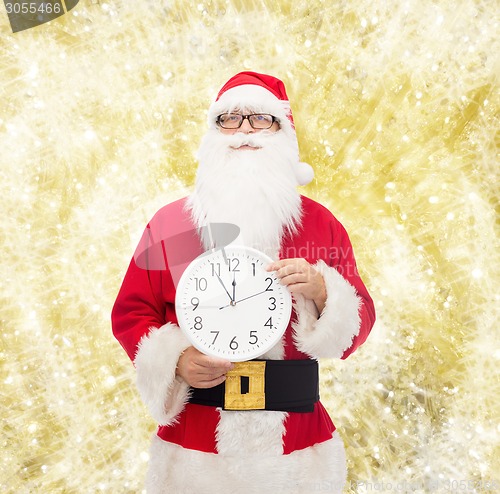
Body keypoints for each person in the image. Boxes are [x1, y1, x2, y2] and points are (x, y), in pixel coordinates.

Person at [111, 71, 376, 494]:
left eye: (260, 119)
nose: (244, 131)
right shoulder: (172, 225)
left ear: (283, 133)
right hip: (196, 447)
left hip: (296, 446)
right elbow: (132, 312)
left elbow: (359, 322)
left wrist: (324, 292)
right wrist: (175, 360)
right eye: (229, 119)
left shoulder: (321, 225)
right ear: (212, 134)